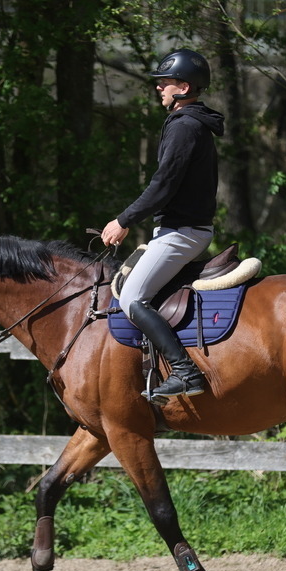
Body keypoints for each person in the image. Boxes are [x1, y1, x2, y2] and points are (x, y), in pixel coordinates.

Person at [101, 48, 225, 402]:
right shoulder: (188, 124)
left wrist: (123, 220)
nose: (159, 88)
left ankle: (185, 372)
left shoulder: (185, 127)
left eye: (165, 83)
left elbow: (163, 185)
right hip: (180, 231)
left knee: (132, 297)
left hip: (182, 234)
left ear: (183, 88)